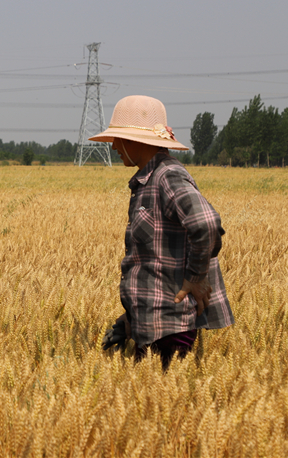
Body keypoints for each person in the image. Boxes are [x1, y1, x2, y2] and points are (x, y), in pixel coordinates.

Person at [93, 95, 234, 370]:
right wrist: (131, 317)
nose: (112, 147)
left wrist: (195, 277)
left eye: (117, 139)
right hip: (151, 323)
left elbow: (206, 224)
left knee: (171, 406)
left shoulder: (167, 176)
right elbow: (154, 263)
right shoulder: (146, 180)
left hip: (172, 327)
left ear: (135, 140)